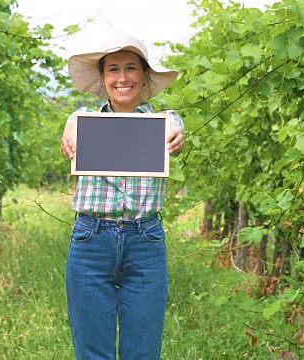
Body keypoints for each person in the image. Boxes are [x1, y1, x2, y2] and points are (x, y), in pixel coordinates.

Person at [60, 35, 185, 360]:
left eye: (131, 68)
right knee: (91, 353)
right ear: (103, 78)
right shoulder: (82, 119)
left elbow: (174, 123)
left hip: (145, 244)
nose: (122, 77)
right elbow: (73, 124)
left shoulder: (165, 122)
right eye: (113, 69)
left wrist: (175, 130)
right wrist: (70, 127)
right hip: (91, 242)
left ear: (144, 76)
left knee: (143, 352)